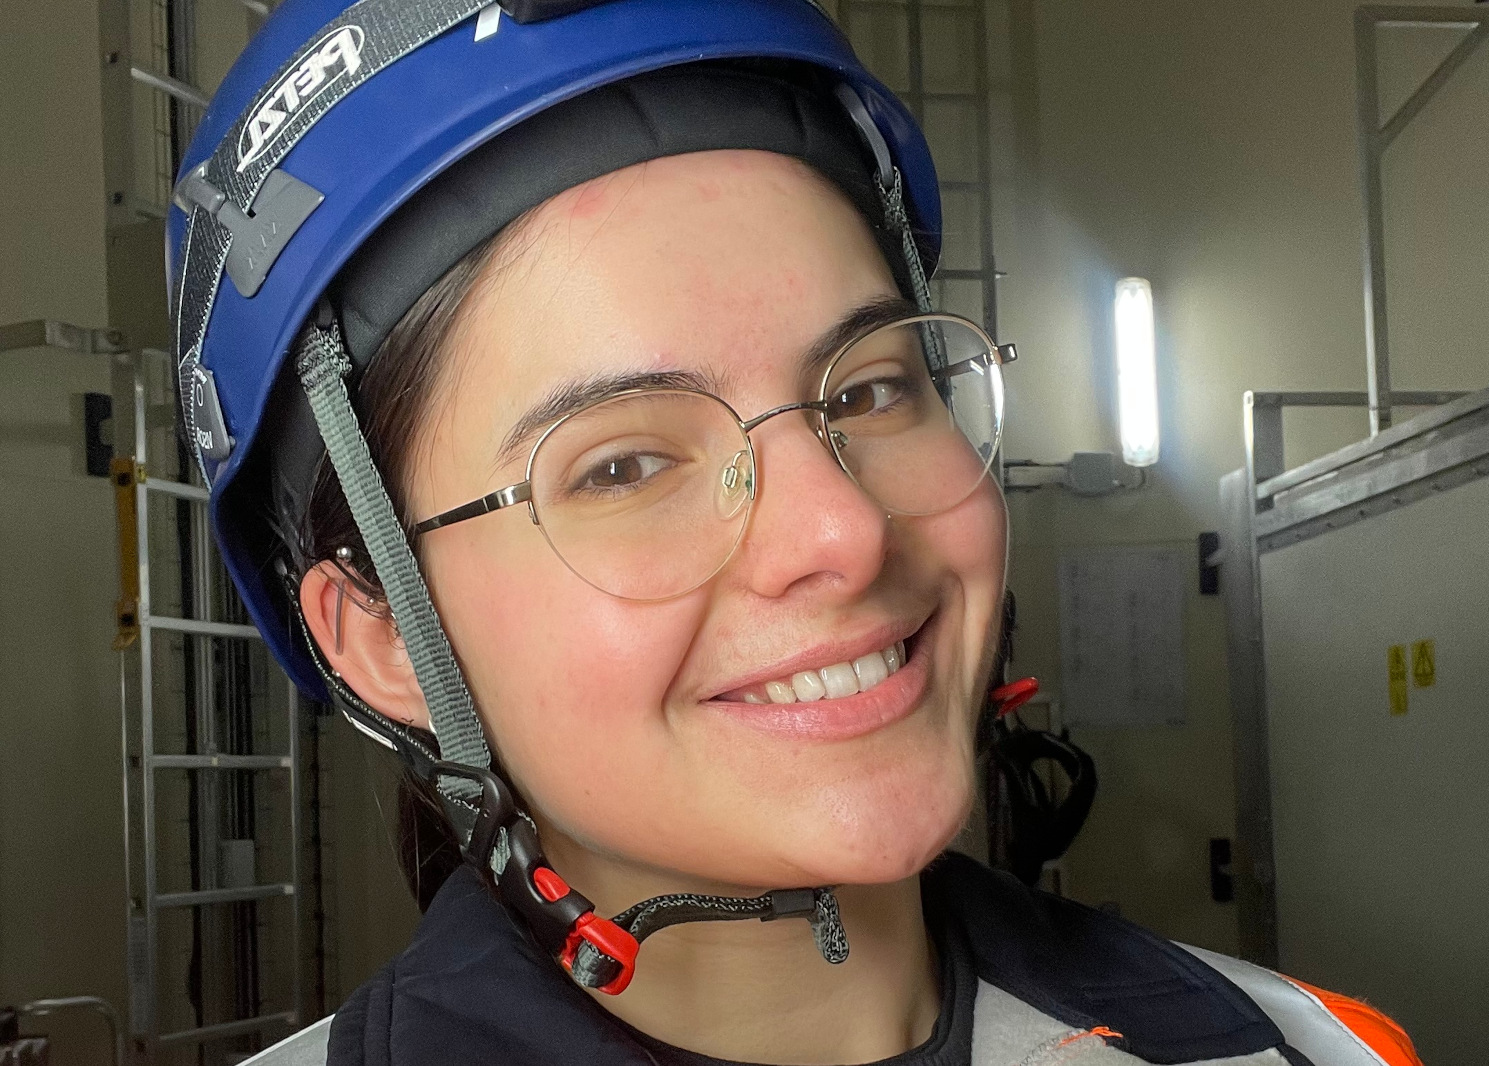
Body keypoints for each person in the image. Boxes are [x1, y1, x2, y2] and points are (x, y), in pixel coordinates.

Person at [169, 1, 1425, 1063]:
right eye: (623, 464)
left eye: (873, 389)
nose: (843, 527)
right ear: (384, 639)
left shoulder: (1296, 1047)